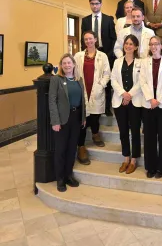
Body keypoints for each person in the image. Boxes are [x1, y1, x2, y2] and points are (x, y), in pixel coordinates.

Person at [49, 53, 86, 192]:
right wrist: (55, 121)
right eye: (64, 63)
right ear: (61, 65)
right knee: (61, 150)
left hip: (76, 118)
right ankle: (60, 179)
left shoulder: (79, 80)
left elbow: (83, 100)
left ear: (74, 65)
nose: (67, 65)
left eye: (69, 63)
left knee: (72, 149)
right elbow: (52, 102)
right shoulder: (56, 80)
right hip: (62, 119)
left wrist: (83, 117)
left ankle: (68, 175)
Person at [74, 31, 111, 165]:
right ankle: (81, 147)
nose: (88, 41)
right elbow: (72, 71)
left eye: (90, 39)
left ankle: (95, 134)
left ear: (95, 39)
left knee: (95, 116)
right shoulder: (78, 56)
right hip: (82, 90)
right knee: (83, 119)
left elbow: (107, 73)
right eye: (86, 39)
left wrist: (101, 85)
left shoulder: (103, 56)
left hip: (96, 90)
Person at [140, 36, 162, 178]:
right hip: (148, 104)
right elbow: (142, 81)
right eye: (151, 44)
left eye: (156, 44)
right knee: (149, 137)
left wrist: (158, 100)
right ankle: (151, 167)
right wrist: (150, 99)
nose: (153, 47)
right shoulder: (144, 62)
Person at [111, 35, 142, 174]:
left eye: (131, 44)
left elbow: (142, 82)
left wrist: (129, 95)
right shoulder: (117, 62)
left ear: (136, 47)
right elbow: (113, 80)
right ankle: (126, 158)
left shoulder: (141, 62)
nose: (128, 46)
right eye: (126, 43)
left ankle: (134, 159)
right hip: (119, 101)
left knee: (135, 131)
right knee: (123, 131)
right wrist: (123, 94)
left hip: (135, 101)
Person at [81, 0, 116, 116]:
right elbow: (83, 39)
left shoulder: (108, 19)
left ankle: (106, 108)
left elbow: (113, 38)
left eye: (96, 3)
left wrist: (109, 54)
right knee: (90, 80)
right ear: (90, 5)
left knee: (105, 82)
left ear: (100, 4)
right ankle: (90, 107)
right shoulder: (85, 20)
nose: (94, 6)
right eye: (92, 4)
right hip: (90, 54)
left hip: (105, 53)